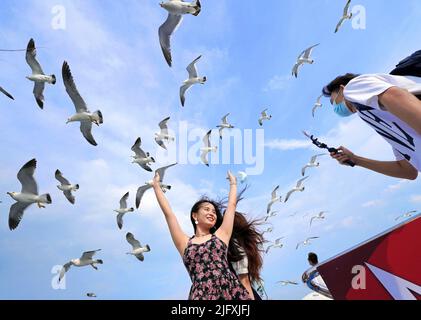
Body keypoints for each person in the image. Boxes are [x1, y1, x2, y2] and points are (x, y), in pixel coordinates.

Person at [152, 170, 252, 300]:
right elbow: (169, 214)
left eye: (214, 212)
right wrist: (156, 187)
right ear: (195, 215)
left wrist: (233, 183)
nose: (212, 213)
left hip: (231, 293)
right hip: (201, 296)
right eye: (206, 209)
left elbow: (231, 206)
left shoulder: (221, 235)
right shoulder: (184, 243)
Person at [322, 72, 421, 180]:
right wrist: (356, 160)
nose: (335, 108)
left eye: (334, 102)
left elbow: (395, 95)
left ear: (342, 89)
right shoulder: (372, 116)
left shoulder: (354, 87)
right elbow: (408, 171)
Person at [228, 212, 266, 300]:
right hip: (247, 291)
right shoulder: (244, 244)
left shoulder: (234, 245)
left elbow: (244, 279)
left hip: (242, 293)